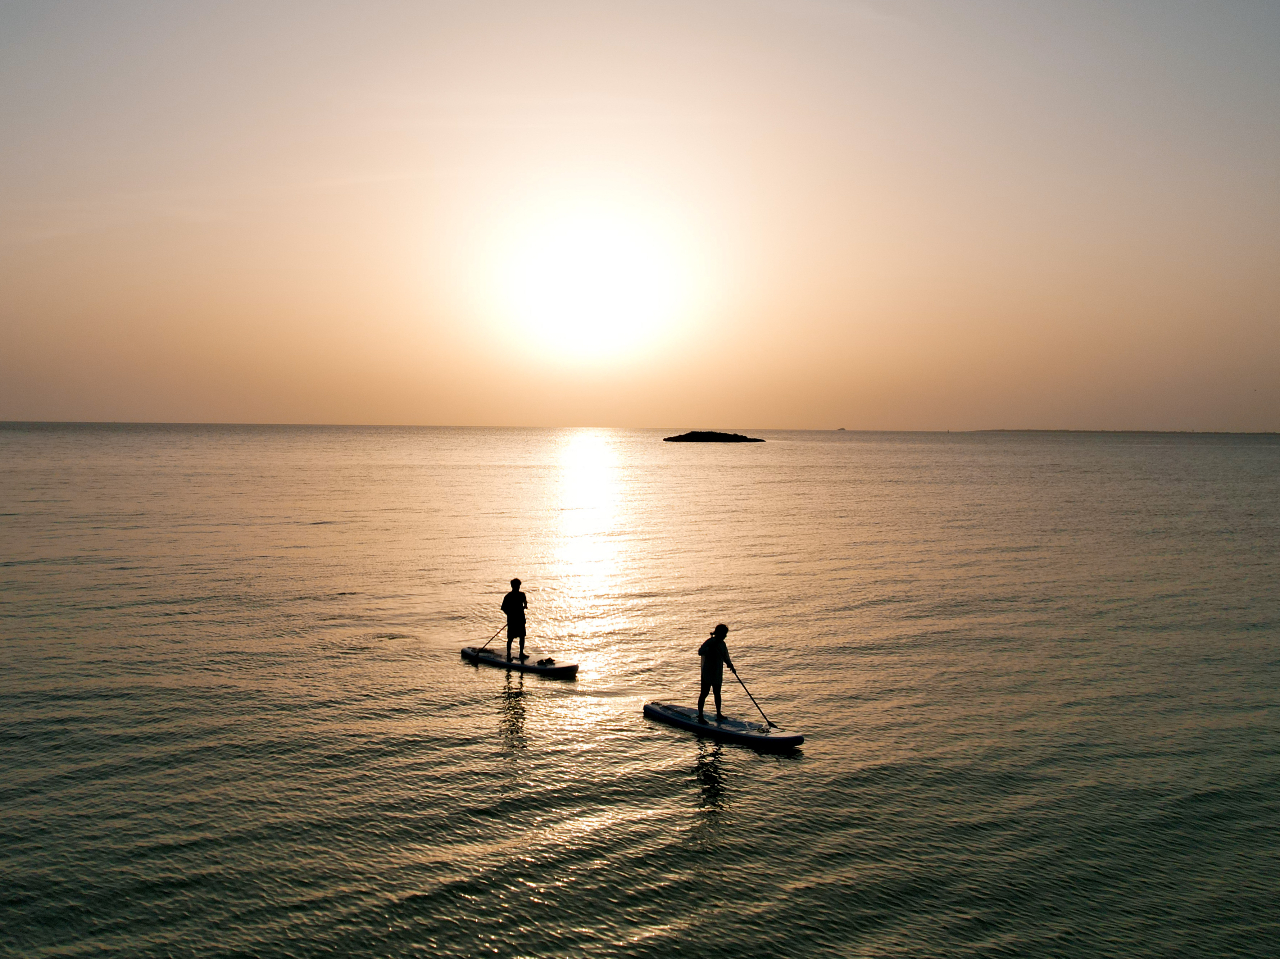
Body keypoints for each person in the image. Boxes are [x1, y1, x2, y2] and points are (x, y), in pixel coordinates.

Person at [698, 624, 734, 722]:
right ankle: (700, 716)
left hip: (717, 672)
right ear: (719, 633)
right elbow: (700, 652)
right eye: (724, 634)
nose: (725, 636)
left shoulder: (722, 644)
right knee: (704, 693)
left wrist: (730, 665)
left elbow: (725, 656)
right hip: (707, 673)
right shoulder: (710, 642)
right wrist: (709, 648)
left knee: (717, 693)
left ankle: (718, 714)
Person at [501, 578, 528, 661]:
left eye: (518, 586)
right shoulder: (508, 596)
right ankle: (508, 654)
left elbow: (525, 603)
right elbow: (503, 608)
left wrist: (524, 606)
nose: (518, 587)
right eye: (516, 586)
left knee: (522, 636)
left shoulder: (522, 594)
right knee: (511, 638)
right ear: (512, 586)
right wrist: (510, 614)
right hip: (512, 620)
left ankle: (521, 653)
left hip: (520, 619)